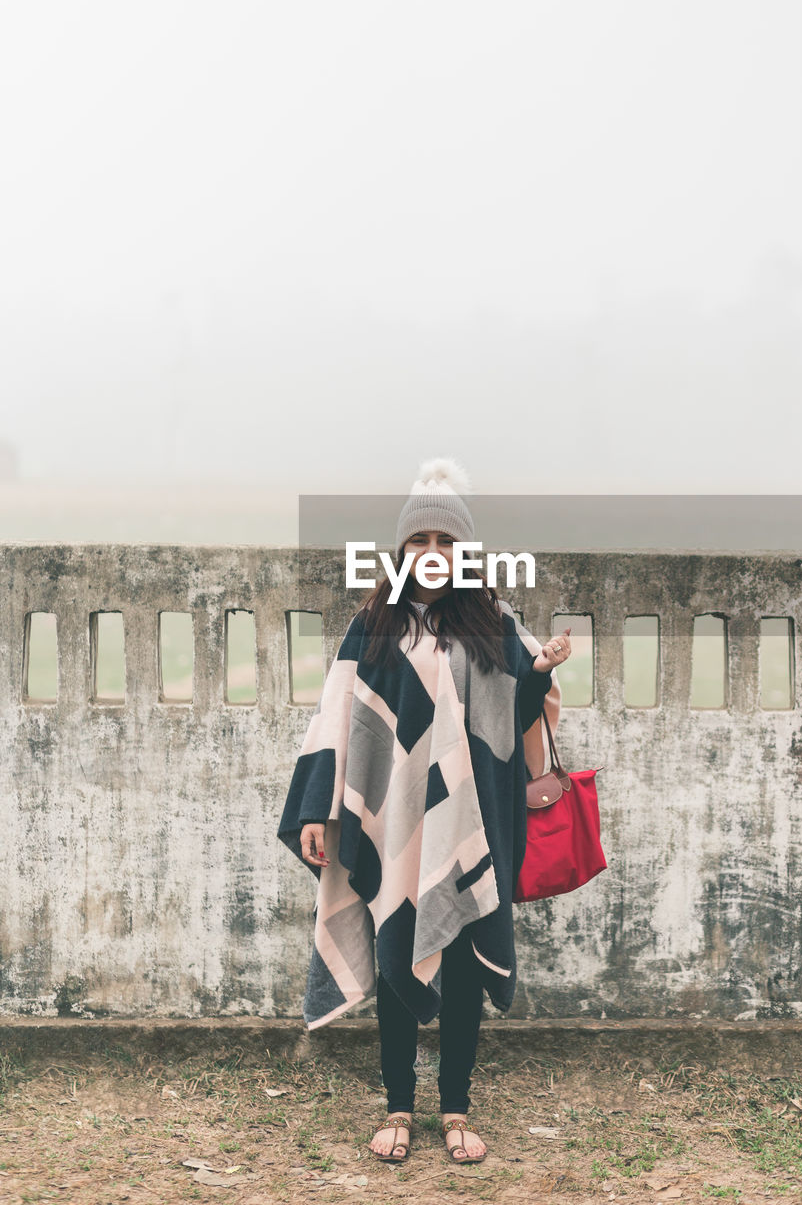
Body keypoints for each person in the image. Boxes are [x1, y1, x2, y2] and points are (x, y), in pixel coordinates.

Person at [277, 459, 571, 1164]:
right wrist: (318, 808)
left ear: (464, 552)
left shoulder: (494, 623)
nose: (433, 554)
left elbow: (515, 723)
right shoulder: (370, 625)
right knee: (394, 954)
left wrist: (538, 671)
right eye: (420, 541)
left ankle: (457, 1106)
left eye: (446, 541)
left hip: (473, 819)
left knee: (463, 956)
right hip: (394, 820)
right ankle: (398, 1105)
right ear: (401, 551)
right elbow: (338, 717)